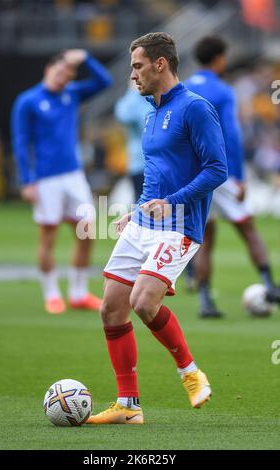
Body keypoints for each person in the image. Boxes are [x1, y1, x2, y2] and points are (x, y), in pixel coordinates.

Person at [87, 32, 228, 425]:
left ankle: (190, 372)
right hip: (145, 222)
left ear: (160, 64)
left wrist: (172, 203)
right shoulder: (150, 112)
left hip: (181, 223)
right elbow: (155, 175)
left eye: (137, 66)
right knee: (111, 308)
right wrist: (137, 211)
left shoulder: (195, 108)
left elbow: (218, 169)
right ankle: (128, 406)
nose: (132, 74)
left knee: (144, 303)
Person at [185, 36, 280, 318]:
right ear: (220, 59)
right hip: (218, 171)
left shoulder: (183, 88)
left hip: (193, 174)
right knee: (247, 227)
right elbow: (231, 134)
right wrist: (238, 177)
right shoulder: (223, 91)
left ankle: (205, 302)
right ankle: (269, 284)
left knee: (206, 238)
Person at [11, 49, 112, 314]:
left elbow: (105, 82)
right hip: (46, 179)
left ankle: (78, 293)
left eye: (68, 74)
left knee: (87, 231)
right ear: (48, 69)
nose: (63, 78)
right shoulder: (28, 101)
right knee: (48, 236)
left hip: (74, 174)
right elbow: (21, 142)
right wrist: (26, 180)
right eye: (60, 72)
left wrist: (86, 58)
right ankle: (52, 294)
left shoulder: (72, 93)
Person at [114, 81, 151, 201]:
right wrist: (133, 91)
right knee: (142, 204)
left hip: (161, 162)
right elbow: (123, 115)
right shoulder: (132, 101)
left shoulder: (155, 98)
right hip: (139, 164)